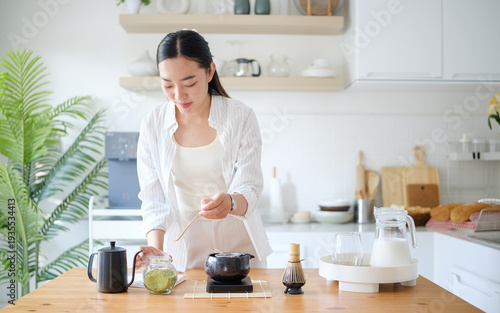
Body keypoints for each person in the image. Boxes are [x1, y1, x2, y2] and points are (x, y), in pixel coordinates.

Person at [135, 30, 272, 271]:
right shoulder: (153, 124)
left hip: (240, 254)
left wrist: (230, 202)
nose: (179, 95)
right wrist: (157, 251)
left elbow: (250, 187)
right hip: (181, 256)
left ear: (210, 71)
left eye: (189, 83)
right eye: (167, 85)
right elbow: (153, 199)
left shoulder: (240, 116)